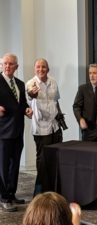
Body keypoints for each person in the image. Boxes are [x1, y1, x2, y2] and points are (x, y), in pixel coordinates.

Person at [0, 53, 33, 212]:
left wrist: (27, 109)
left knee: (15, 165)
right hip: (2, 132)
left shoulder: (20, 84)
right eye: (5, 64)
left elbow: (22, 103)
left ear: (16, 67)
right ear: (1, 65)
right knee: (3, 166)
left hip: (18, 131)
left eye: (11, 64)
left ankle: (12, 194)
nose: (7, 66)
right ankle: (4, 197)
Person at [26, 58, 63, 196]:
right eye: (38, 67)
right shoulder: (31, 83)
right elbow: (30, 96)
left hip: (55, 126)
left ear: (48, 69)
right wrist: (33, 93)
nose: (41, 69)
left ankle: (53, 189)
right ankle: (39, 192)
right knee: (42, 161)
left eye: (43, 67)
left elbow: (56, 101)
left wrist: (60, 119)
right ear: (34, 69)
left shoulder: (53, 82)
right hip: (41, 128)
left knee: (55, 158)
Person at [73, 64, 97, 141]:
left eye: (94, 73)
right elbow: (76, 106)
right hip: (88, 128)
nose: (91, 76)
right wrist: (80, 119)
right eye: (90, 73)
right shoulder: (83, 89)